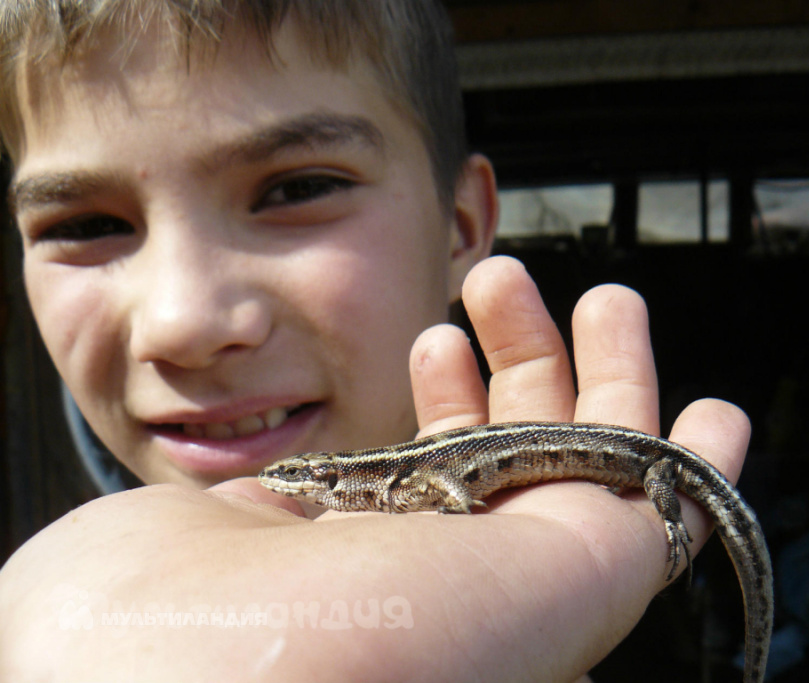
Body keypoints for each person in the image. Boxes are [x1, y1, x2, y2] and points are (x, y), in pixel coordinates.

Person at [0, 1, 752, 680]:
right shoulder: (56, 620)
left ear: (462, 227)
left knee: (682, 506)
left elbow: (453, 495)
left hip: (647, 463)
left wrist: (658, 519)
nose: (183, 325)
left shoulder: (421, 488)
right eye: (85, 224)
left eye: (299, 187)